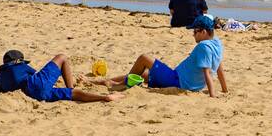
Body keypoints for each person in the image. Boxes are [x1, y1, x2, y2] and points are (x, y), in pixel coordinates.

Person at [97, 15, 228, 96]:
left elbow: (206, 72)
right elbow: (219, 68)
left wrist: (212, 95)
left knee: (144, 58)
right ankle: (108, 82)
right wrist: (225, 90)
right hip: (185, 82)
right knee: (143, 75)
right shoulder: (217, 43)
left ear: (203, 32)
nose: (193, 34)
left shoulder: (203, 46)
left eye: (195, 32)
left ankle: (123, 84)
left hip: (176, 81)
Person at [0, 50, 118, 103]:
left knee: (73, 95)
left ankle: (104, 97)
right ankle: (102, 97)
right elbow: (35, 74)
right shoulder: (19, 65)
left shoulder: (1, 76)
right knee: (62, 57)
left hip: (33, 95)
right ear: (19, 61)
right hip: (34, 86)